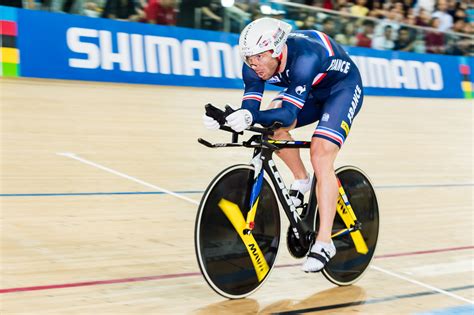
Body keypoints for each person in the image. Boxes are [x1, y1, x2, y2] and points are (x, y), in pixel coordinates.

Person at [203, 18, 365, 273]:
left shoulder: (305, 56)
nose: (252, 64)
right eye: (247, 58)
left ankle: (324, 242)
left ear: (275, 51)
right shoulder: (253, 68)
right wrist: (228, 119)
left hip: (341, 89)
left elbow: (289, 115)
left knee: (321, 154)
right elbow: (251, 110)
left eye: (256, 57)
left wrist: (249, 117)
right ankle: (302, 179)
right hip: (310, 90)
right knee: (271, 123)